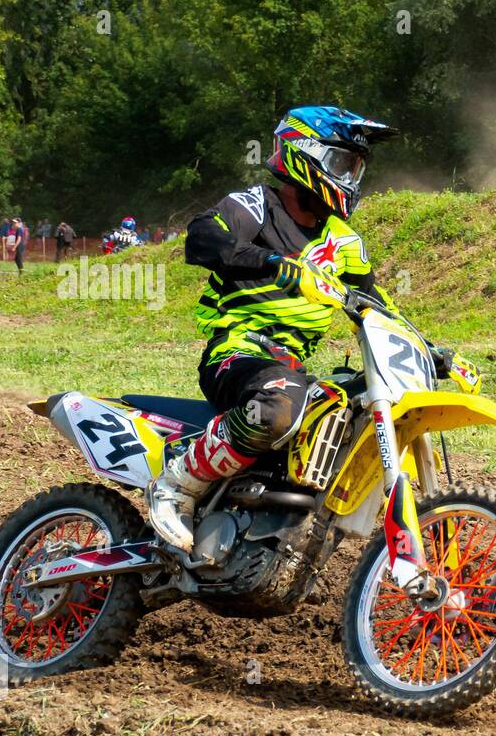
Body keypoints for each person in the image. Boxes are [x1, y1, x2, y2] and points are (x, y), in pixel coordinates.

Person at [147, 104, 412, 551]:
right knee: (278, 408)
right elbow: (202, 238)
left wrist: (430, 349)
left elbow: (376, 305)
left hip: (289, 366)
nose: (349, 177)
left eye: (356, 167)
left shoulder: (344, 243)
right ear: (303, 156)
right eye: (341, 163)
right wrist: (275, 264)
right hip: (237, 352)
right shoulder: (256, 206)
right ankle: (177, 484)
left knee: (347, 410)